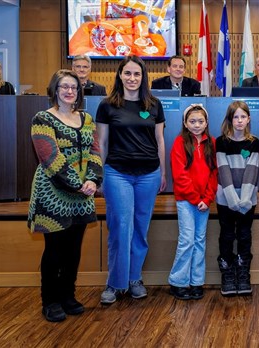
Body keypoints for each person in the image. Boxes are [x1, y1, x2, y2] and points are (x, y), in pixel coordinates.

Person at [28, 69, 103, 322]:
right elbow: (49, 157)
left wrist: (92, 179)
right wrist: (77, 183)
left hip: (83, 193)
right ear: (55, 90)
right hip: (54, 191)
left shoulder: (86, 118)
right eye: (64, 87)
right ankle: (50, 301)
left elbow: (95, 151)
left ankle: (68, 295)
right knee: (54, 249)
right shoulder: (43, 119)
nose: (70, 91)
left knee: (73, 248)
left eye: (73, 87)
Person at [97, 55, 167, 305]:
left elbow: (160, 141)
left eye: (137, 74)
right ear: (120, 75)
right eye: (127, 73)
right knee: (120, 227)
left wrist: (163, 172)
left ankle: (135, 278)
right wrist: (101, 176)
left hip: (149, 174)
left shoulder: (154, 104)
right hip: (117, 173)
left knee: (140, 228)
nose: (132, 78)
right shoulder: (107, 105)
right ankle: (115, 283)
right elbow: (102, 143)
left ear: (143, 77)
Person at [168, 104, 217, 301]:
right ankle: (178, 281)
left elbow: (214, 173)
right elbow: (180, 175)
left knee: (199, 241)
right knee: (187, 240)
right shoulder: (180, 142)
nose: (197, 125)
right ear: (185, 124)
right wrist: (196, 199)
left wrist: (207, 199)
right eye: (192, 121)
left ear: (206, 123)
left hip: (203, 202)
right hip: (186, 201)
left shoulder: (211, 143)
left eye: (200, 121)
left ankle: (196, 281)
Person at [215, 101, 259, 296]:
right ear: (230, 120)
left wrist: (244, 199)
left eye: (243, 117)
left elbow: (253, 170)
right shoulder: (221, 141)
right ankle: (228, 275)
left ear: (249, 119)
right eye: (236, 117)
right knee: (226, 234)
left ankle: (243, 273)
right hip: (226, 199)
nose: (239, 121)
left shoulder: (253, 142)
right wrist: (234, 200)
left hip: (248, 199)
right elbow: (223, 170)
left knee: (244, 235)